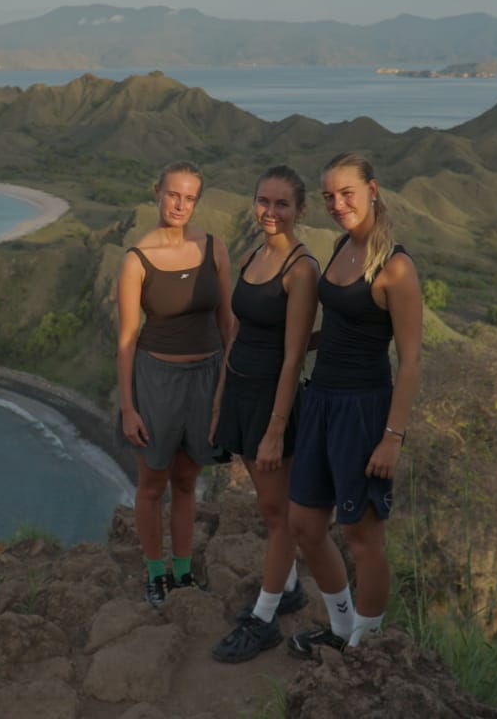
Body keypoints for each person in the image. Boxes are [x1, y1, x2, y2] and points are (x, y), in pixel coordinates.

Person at [286, 151, 422, 655]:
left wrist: (392, 438)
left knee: (362, 537)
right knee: (305, 525)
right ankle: (342, 629)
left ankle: (366, 649)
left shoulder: (395, 267)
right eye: (328, 196)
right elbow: (344, 326)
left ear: (373, 190)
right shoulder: (342, 246)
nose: (337, 204)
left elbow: (410, 359)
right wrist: (296, 343)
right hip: (321, 400)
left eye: (347, 193)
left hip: (364, 410)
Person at [210, 165, 320, 663]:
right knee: (267, 506)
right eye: (263, 201)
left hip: (273, 403)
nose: (270, 212)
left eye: (281, 204)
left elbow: (294, 357)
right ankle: (289, 587)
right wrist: (220, 401)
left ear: (300, 209)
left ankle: (264, 619)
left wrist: (276, 431)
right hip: (241, 394)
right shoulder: (252, 255)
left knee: (279, 516)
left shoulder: (302, 269)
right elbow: (236, 334)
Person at [115, 160, 234, 607]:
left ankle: (183, 574)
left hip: (207, 377)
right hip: (156, 379)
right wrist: (129, 408)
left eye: (189, 198)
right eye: (173, 195)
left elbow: (228, 324)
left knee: (187, 480)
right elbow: (127, 339)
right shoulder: (137, 259)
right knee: (152, 483)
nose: (180, 205)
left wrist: (226, 385)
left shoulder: (215, 249)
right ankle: (155, 575)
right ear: (157, 193)